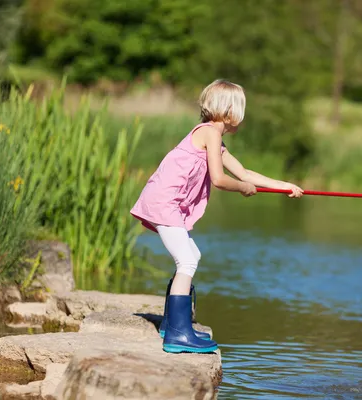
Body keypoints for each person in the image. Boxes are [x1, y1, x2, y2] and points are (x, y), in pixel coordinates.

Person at [130, 79, 304, 354]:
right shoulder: (209, 132)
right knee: (186, 259)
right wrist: (243, 189)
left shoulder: (215, 140)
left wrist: (284, 186)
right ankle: (177, 334)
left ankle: (171, 323)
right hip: (165, 202)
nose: (242, 119)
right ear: (228, 112)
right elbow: (221, 179)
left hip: (169, 203)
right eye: (240, 112)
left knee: (192, 256)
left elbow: (245, 173)